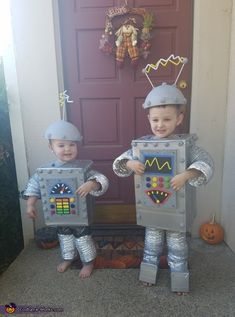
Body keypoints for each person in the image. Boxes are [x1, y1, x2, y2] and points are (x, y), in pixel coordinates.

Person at [113, 82, 214, 294]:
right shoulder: (142, 145)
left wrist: (187, 174)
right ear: (149, 118)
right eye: (155, 119)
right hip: (153, 208)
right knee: (152, 242)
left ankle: (179, 279)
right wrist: (131, 163)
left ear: (179, 119)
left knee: (177, 245)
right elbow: (121, 162)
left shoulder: (187, 145)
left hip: (175, 209)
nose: (160, 125)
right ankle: (148, 273)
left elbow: (205, 163)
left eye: (166, 119)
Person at [24, 120, 109, 278]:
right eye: (61, 145)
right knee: (65, 238)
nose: (67, 149)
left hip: (79, 217)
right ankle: (68, 258)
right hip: (61, 215)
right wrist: (30, 204)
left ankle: (88, 262)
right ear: (51, 147)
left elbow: (101, 179)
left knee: (83, 238)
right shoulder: (46, 171)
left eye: (71, 145)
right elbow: (34, 186)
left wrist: (91, 184)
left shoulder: (83, 168)